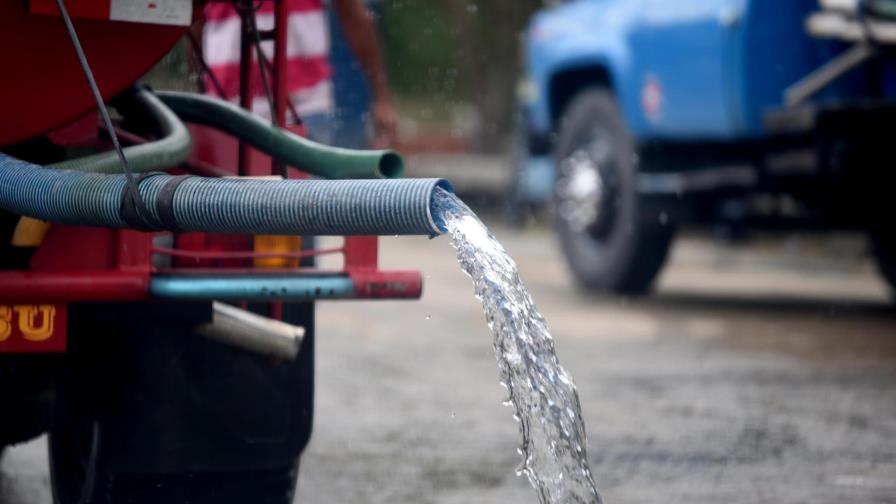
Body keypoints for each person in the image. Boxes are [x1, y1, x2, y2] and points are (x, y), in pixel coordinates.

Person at [202, 0, 397, 147]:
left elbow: (354, 16)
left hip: (303, 107)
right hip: (225, 108)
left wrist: (381, 97)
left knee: (306, 199)